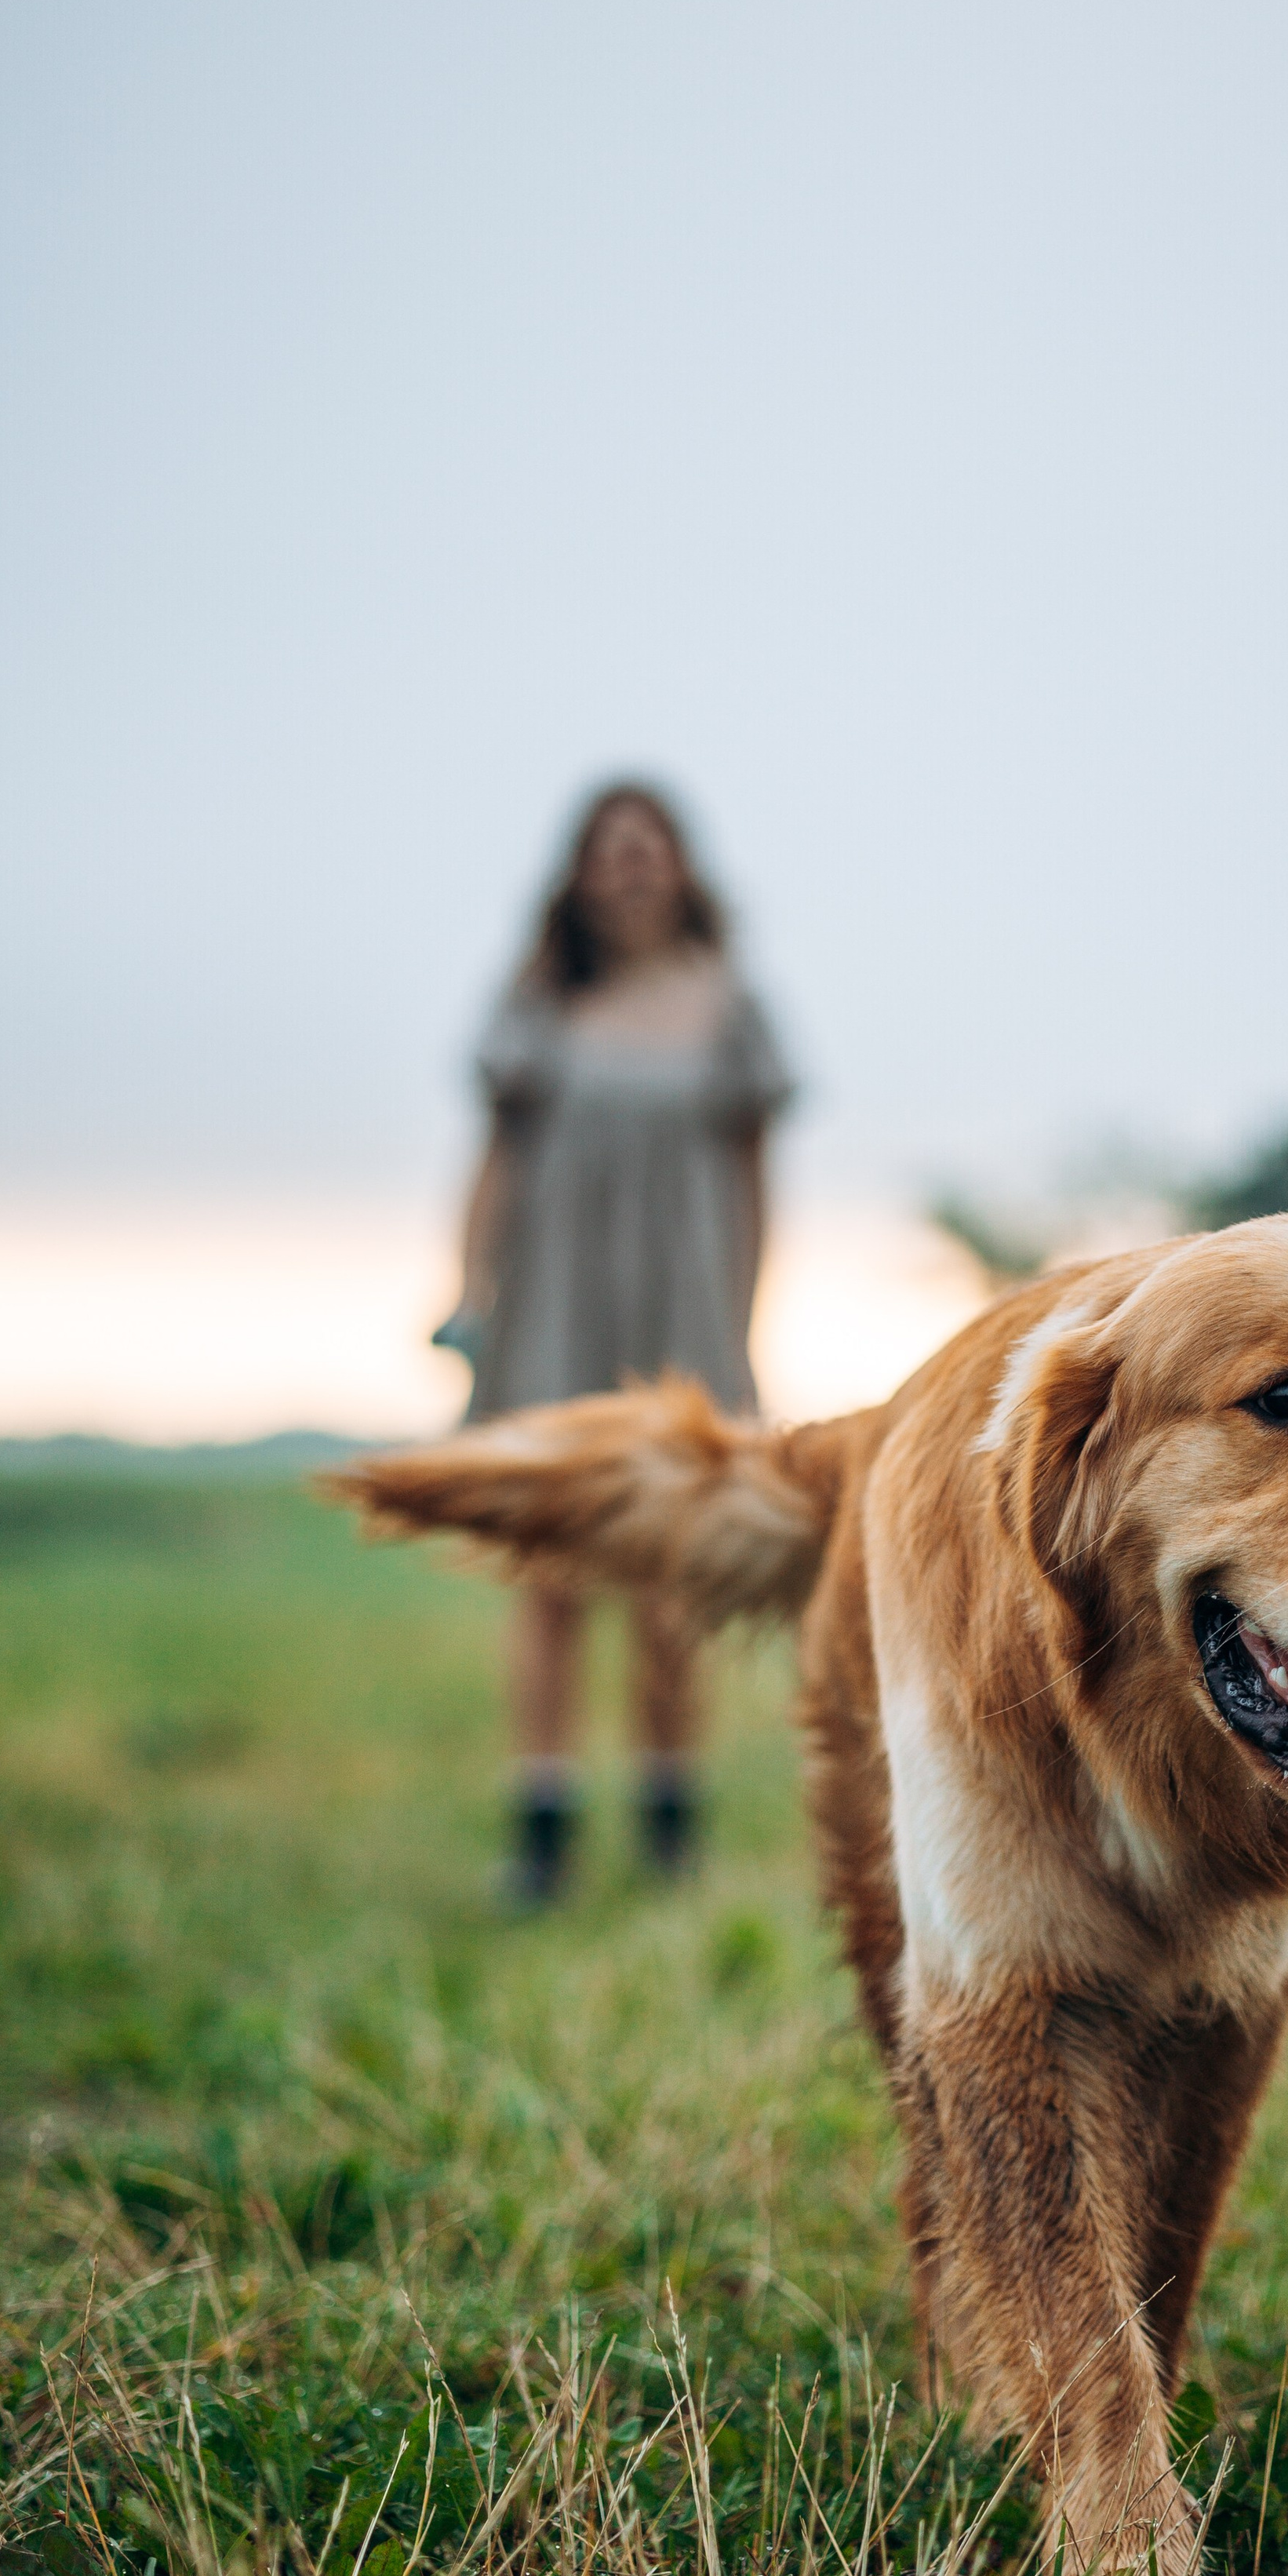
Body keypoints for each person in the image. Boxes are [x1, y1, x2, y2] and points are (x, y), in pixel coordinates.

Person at [442, 783, 794, 1906]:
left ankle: (668, 1822)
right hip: (552, 1313)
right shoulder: (539, 999)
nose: (632, 868)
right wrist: (468, 1290)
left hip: (684, 1321)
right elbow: (493, 1159)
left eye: (650, 849)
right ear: (581, 873)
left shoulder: (731, 1005)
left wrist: (742, 1318)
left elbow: (754, 1177)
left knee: (669, 1583)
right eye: (611, 850)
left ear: (681, 868)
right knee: (549, 1578)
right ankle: (541, 1829)